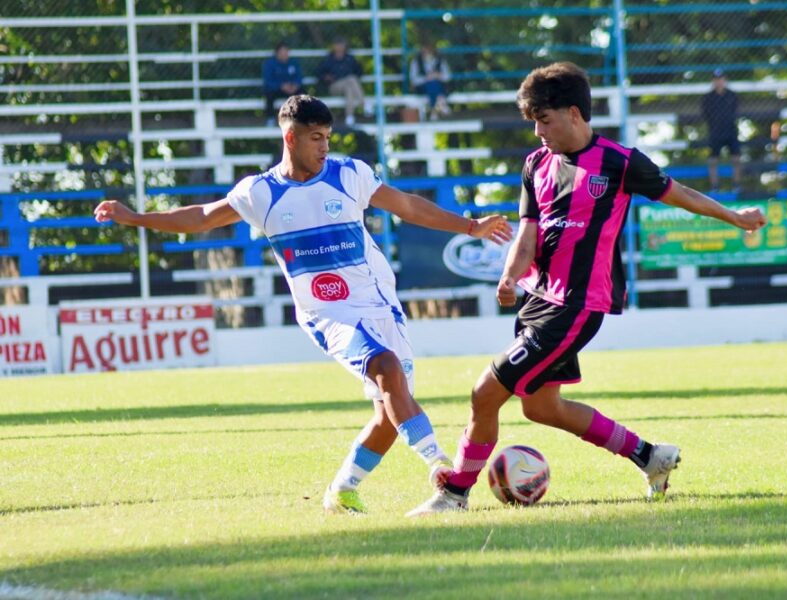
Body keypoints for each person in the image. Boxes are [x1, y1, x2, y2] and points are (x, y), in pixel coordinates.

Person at [94, 95, 512, 515]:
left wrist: (470, 225)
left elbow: (406, 205)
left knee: (390, 412)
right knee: (384, 369)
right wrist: (135, 218)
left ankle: (342, 491)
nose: (325, 146)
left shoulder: (349, 174)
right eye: (316, 138)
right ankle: (438, 464)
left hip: (380, 304)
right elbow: (200, 216)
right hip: (327, 314)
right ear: (290, 138)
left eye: (328, 137)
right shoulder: (260, 192)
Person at [407, 62, 767, 516]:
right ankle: (649, 456)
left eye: (544, 119)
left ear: (573, 113)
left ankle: (454, 493)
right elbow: (528, 233)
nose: (538, 131)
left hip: (576, 305)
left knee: (485, 393)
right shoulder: (536, 164)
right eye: (534, 122)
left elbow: (682, 195)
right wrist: (511, 274)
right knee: (541, 407)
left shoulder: (619, 162)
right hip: (539, 300)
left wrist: (735, 217)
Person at [701, 69, 742, 192]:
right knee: (713, 160)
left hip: (730, 130)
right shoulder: (708, 98)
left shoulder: (732, 95)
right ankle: (715, 186)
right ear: (713, 81)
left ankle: (737, 185)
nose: (719, 82)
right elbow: (706, 115)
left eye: (721, 79)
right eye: (716, 79)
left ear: (725, 80)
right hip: (715, 132)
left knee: (736, 158)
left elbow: (735, 112)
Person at [317, 38, 366, 128]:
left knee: (349, 87)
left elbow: (359, 72)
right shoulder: (329, 59)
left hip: (349, 86)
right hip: (334, 86)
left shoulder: (349, 58)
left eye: (341, 44)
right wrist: (327, 77)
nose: (339, 47)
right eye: (337, 44)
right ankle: (364, 105)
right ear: (333, 46)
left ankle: (349, 117)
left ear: (345, 46)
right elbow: (319, 74)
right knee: (351, 79)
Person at [262, 41, 305, 126]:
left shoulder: (294, 62)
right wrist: (281, 86)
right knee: (268, 94)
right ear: (277, 53)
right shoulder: (269, 64)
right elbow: (268, 81)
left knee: (303, 94)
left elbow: (299, 77)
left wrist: (295, 85)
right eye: (282, 52)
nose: (284, 54)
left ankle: (302, 119)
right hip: (277, 90)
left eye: (286, 52)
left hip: (292, 89)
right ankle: (270, 119)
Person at [409, 42, 451, 120]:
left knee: (434, 83)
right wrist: (426, 78)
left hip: (439, 87)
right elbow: (414, 80)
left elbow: (447, 77)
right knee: (432, 84)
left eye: (429, 50)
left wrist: (438, 75)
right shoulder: (416, 62)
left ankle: (434, 111)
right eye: (424, 50)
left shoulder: (440, 60)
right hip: (423, 88)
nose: (427, 53)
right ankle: (441, 105)